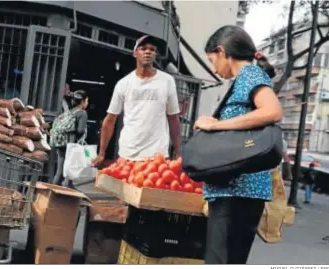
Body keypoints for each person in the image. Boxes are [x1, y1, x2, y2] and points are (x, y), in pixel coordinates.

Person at [195, 25, 283, 264]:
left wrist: (215, 125)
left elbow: (273, 111)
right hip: (236, 190)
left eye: (213, 60)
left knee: (220, 261)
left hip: (239, 190)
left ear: (223, 52)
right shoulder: (245, 79)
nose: (214, 68)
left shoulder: (250, 75)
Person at [91, 35, 181, 167]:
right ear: (135, 53)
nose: (148, 52)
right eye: (143, 48)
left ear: (155, 54)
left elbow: (173, 118)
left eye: (152, 49)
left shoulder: (167, 81)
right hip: (128, 154)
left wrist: (178, 150)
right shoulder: (124, 84)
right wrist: (102, 153)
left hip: (157, 156)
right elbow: (110, 120)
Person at [51, 90, 89, 188]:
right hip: (72, 144)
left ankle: (52, 192)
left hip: (61, 142)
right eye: (87, 101)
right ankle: (64, 195)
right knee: (69, 171)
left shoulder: (69, 112)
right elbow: (80, 131)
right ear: (82, 101)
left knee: (59, 171)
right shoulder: (82, 113)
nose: (87, 103)